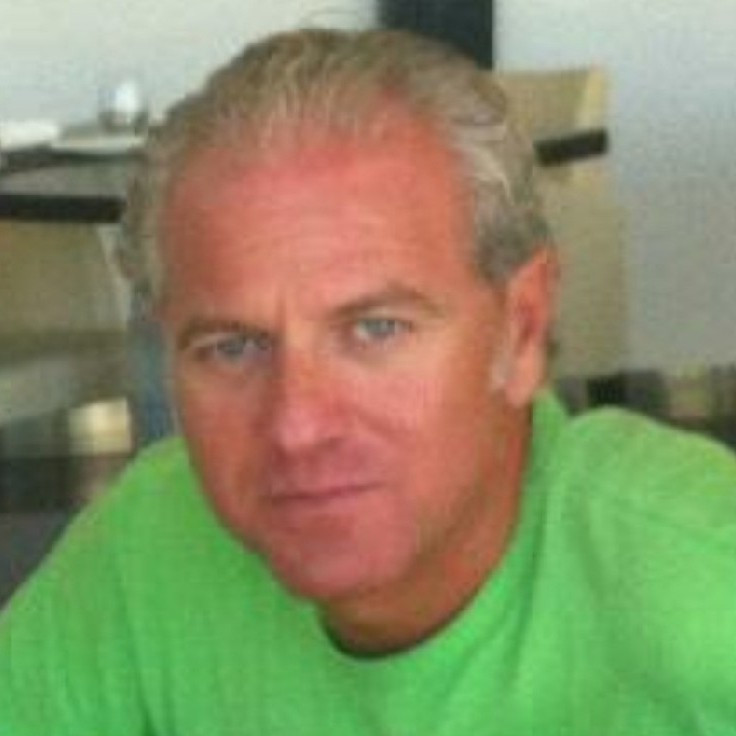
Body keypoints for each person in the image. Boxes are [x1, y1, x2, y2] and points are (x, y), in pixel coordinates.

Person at [1, 28, 735, 735]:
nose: (297, 424)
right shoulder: (148, 553)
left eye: (377, 329)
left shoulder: (701, 588)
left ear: (521, 330)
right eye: (232, 348)